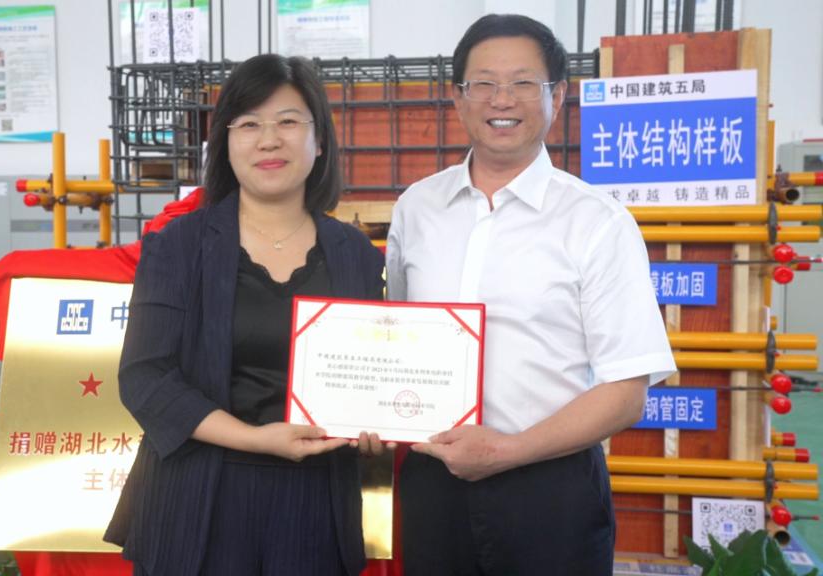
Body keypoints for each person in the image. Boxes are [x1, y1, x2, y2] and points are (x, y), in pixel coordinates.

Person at [385, 14, 677, 576]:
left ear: (557, 96)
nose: (502, 99)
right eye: (484, 83)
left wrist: (505, 452)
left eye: (523, 82)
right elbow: (397, 336)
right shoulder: (416, 208)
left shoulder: (598, 222)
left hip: (550, 488)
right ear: (458, 97)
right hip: (432, 483)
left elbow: (626, 392)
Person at [104, 53, 384, 576]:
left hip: (315, 506)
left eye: (288, 122)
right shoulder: (178, 246)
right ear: (225, 143)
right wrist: (254, 438)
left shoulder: (357, 256)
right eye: (249, 124)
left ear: (319, 140)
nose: (269, 140)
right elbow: (145, 378)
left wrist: (377, 424)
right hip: (197, 500)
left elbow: (373, 376)